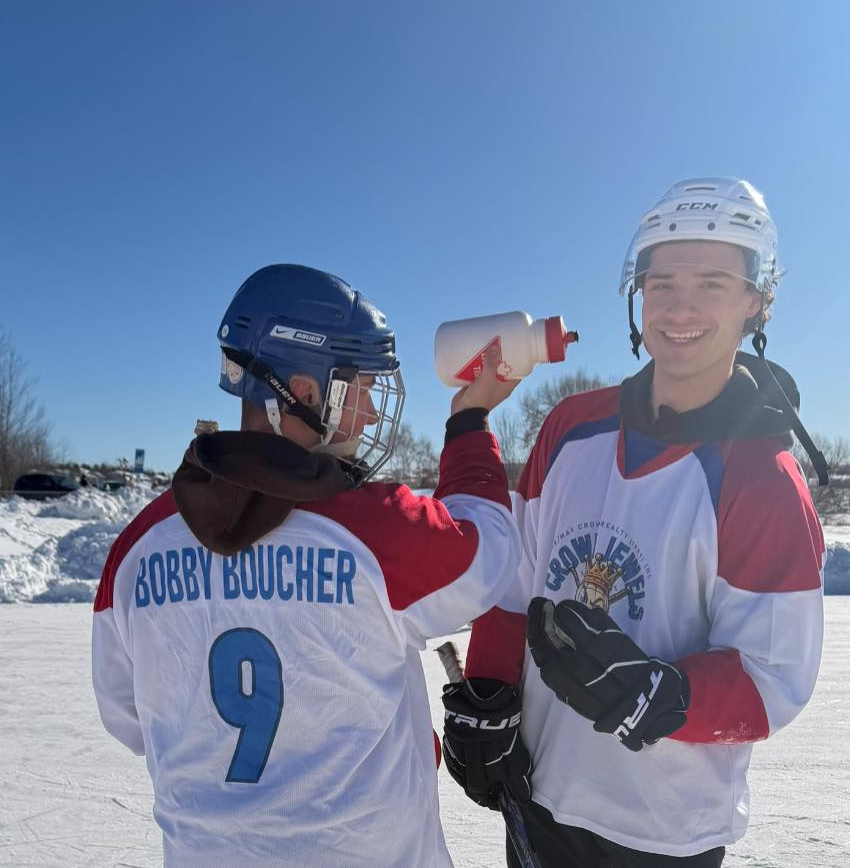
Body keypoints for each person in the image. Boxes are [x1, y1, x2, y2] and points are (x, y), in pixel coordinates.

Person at [442, 178, 827, 866]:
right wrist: (492, 691)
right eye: (661, 284)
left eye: (713, 283)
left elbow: (773, 680)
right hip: (540, 792)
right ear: (636, 295)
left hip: (663, 833)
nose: (680, 308)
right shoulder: (568, 427)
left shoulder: (762, 481)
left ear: (757, 300)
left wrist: (666, 697)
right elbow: (514, 585)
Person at [92, 263, 526, 868]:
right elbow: (491, 552)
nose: (372, 415)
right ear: (305, 389)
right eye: (362, 390)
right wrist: (470, 419)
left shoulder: (137, 547)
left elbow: (129, 717)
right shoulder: (378, 530)